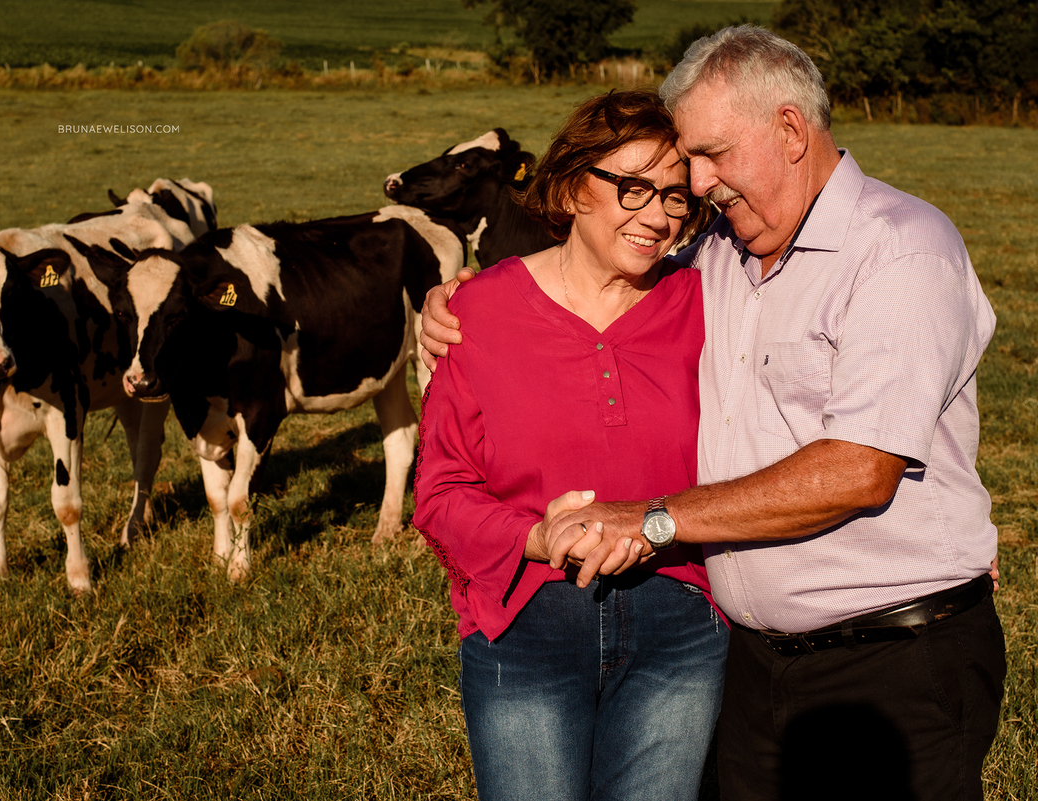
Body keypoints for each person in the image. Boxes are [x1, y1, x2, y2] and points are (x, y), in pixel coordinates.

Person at [419, 26, 1005, 801]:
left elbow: (860, 469)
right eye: (677, 170)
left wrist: (653, 520)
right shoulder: (719, 258)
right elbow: (596, 276)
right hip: (754, 665)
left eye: (708, 157)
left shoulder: (899, 251)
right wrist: (456, 300)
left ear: (790, 130)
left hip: (890, 655)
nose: (694, 188)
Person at [411, 89, 727, 801]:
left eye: (675, 197)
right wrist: (536, 536)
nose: (658, 217)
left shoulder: (706, 301)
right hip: (527, 621)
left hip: (677, 622)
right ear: (570, 188)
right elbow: (439, 493)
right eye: (633, 188)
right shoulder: (476, 312)